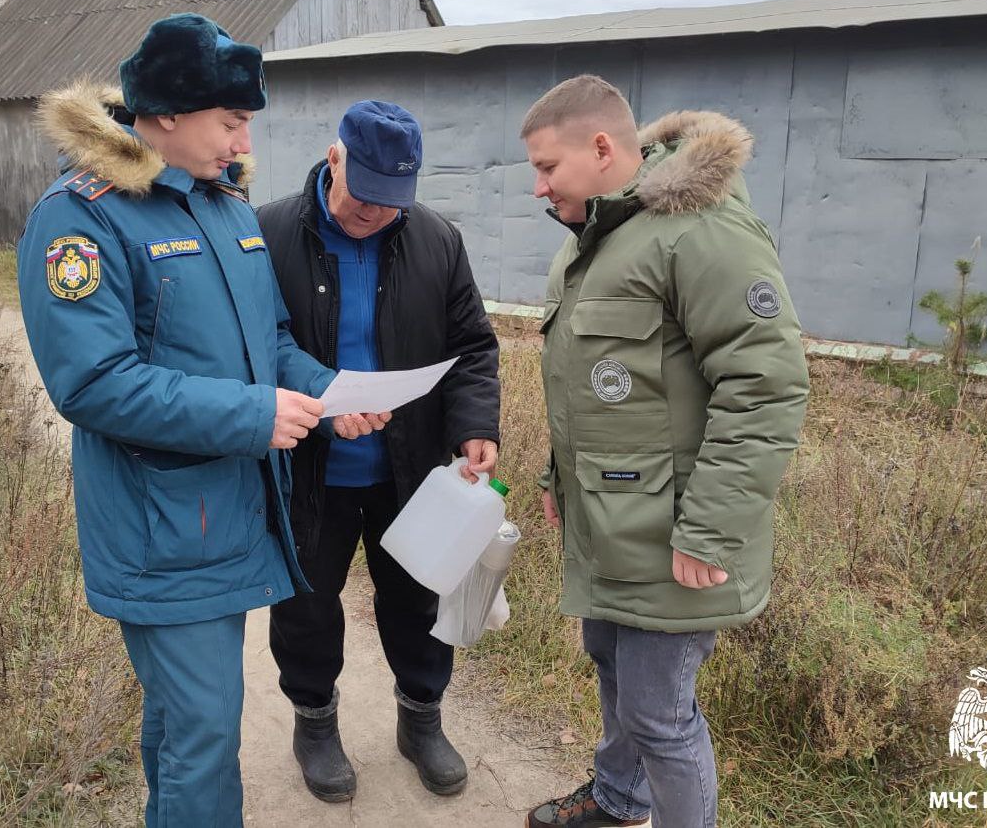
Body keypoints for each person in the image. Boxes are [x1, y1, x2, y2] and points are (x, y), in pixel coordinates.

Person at [16, 12, 386, 828]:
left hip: (228, 514)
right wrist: (255, 414)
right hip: (160, 531)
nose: (243, 140)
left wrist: (330, 396)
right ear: (166, 114)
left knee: (184, 722)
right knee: (206, 732)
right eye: (231, 121)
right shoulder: (82, 216)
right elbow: (93, 383)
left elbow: (270, 341)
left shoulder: (223, 205)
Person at [519, 75, 809, 828]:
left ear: (601, 148)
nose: (537, 186)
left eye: (547, 167)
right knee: (613, 668)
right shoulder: (596, 240)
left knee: (659, 713)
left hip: (674, 529)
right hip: (611, 520)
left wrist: (709, 529)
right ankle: (619, 800)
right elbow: (589, 385)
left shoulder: (700, 229)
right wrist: (557, 476)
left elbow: (765, 386)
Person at [257, 100, 501, 803]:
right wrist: (322, 405)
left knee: (418, 598)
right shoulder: (267, 233)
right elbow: (255, 344)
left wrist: (475, 425)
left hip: (408, 467)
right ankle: (314, 722)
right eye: (364, 196)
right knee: (306, 605)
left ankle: (421, 718)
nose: (376, 213)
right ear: (333, 158)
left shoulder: (436, 238)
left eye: (393, 200)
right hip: (308, 469)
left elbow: (472, 347)